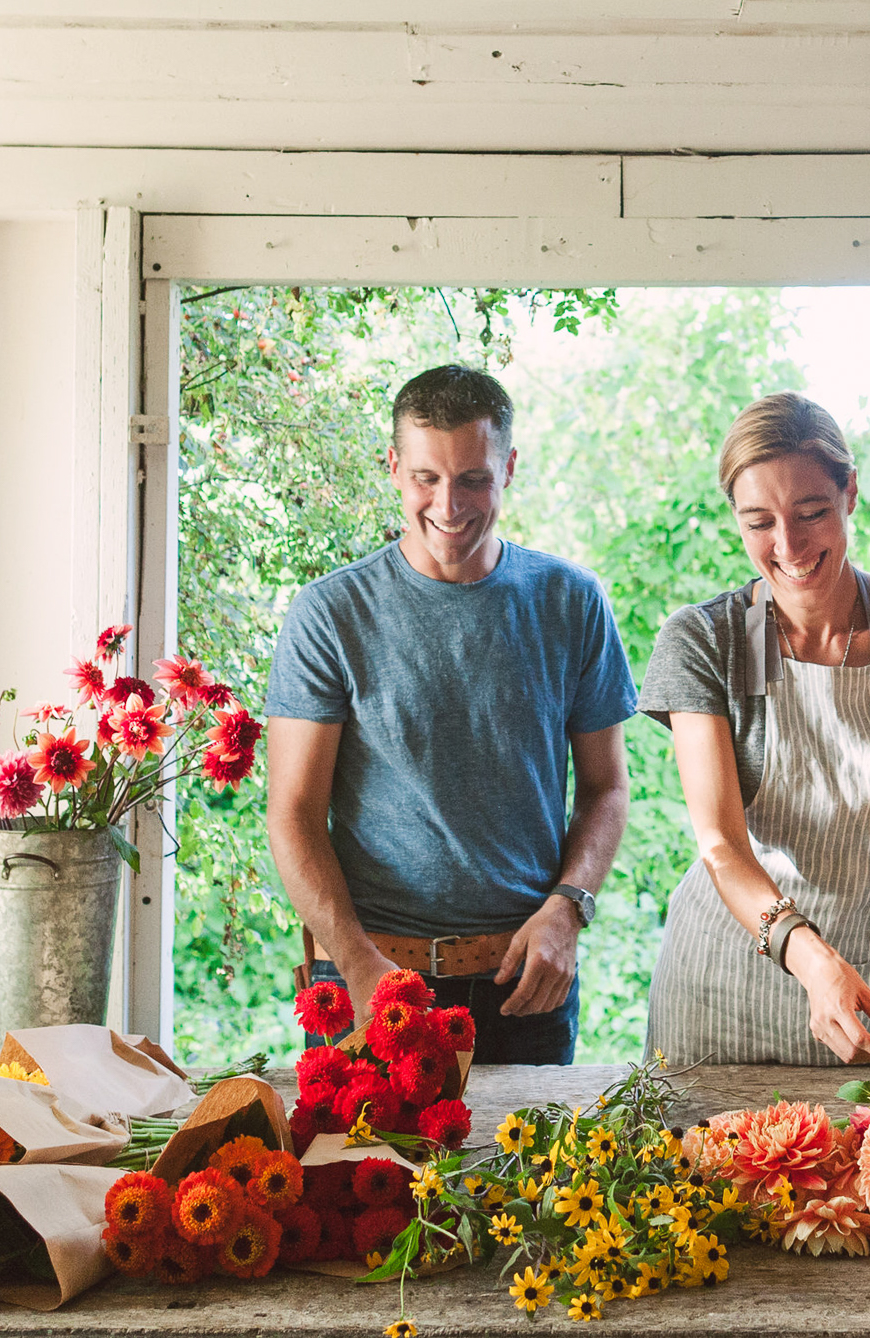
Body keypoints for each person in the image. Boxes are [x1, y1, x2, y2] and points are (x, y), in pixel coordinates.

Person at [264, 364, 637, 1064]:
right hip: (369, 975)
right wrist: (356, 961)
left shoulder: (572, 602)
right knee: (361, 1174)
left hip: (526, 978)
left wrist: (568, 909)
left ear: (510, 469)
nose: (449, 503)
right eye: (426, 478)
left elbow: (606, 789)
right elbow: (292, 813)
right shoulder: (330, 614)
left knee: (525, 1176)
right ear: (394, 469)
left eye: (474, 479)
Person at [640, 392, 870, 1066]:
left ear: (850, 493)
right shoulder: (706, 640)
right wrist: (811, 959)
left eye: (811, 513)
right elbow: (722, 846)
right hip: (719, 999)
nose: (789, 546)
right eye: (760, 523)